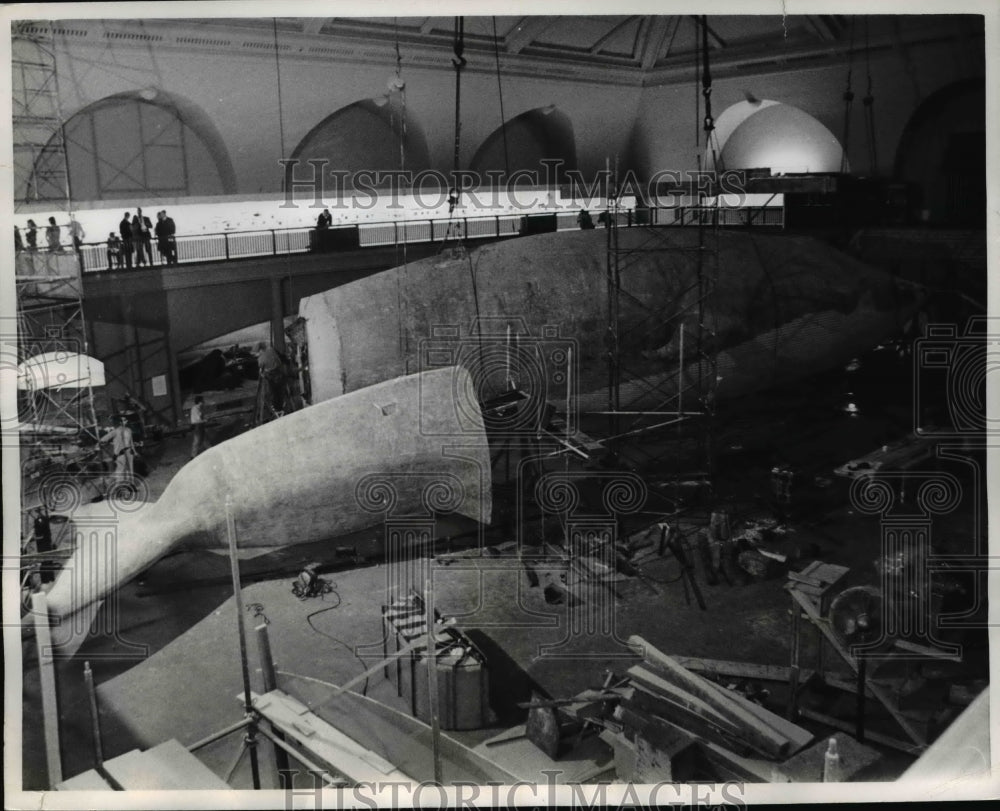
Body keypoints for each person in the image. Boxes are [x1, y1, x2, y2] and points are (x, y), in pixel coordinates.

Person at [101, 416, 136, 483]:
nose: (124, 421)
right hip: (120, 453)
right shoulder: (116, 431)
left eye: (125, 420)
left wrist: (134, 451)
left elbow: (131, 441)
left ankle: (131, 485)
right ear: (120, 422)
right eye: (122, 420)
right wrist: (101, 441)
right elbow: (105, 438)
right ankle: (119, 486)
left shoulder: (129, 430)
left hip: (129, 451)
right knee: (120, 470)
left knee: (130, 470)